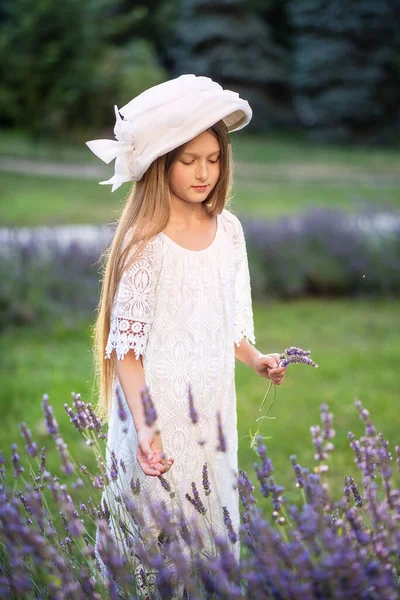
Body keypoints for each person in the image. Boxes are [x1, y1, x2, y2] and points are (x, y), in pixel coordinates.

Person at [86, 74, 286, 597]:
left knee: (206, 530)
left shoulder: (230, 232)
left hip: (211, 411)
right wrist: (148, 427)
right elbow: (127, 352)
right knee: (153, 537)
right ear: (162, 163)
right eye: (188, 159)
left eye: (213, 159)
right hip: (157, 414)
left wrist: (254, 357)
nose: (203, 172)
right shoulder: (147, 244)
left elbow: (225, 319)